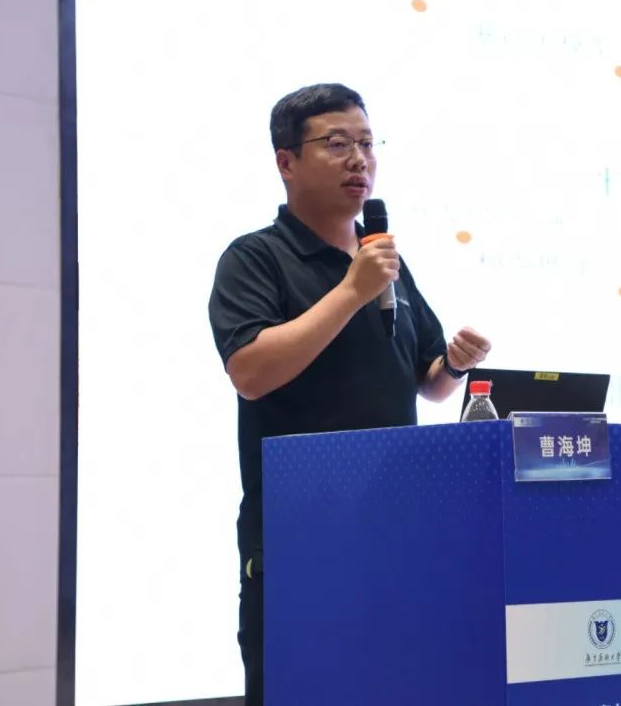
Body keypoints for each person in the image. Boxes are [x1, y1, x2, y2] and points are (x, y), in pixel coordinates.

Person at [207, 83, 491, 705]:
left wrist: (453, 365)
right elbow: (250, 371)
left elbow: (426, 382)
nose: (359, 159)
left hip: (395, 532)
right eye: (337, 144)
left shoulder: (382, 262)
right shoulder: (256, 258)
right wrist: (351, 291)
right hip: (301, 538)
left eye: (367, 143)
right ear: (286, 161)